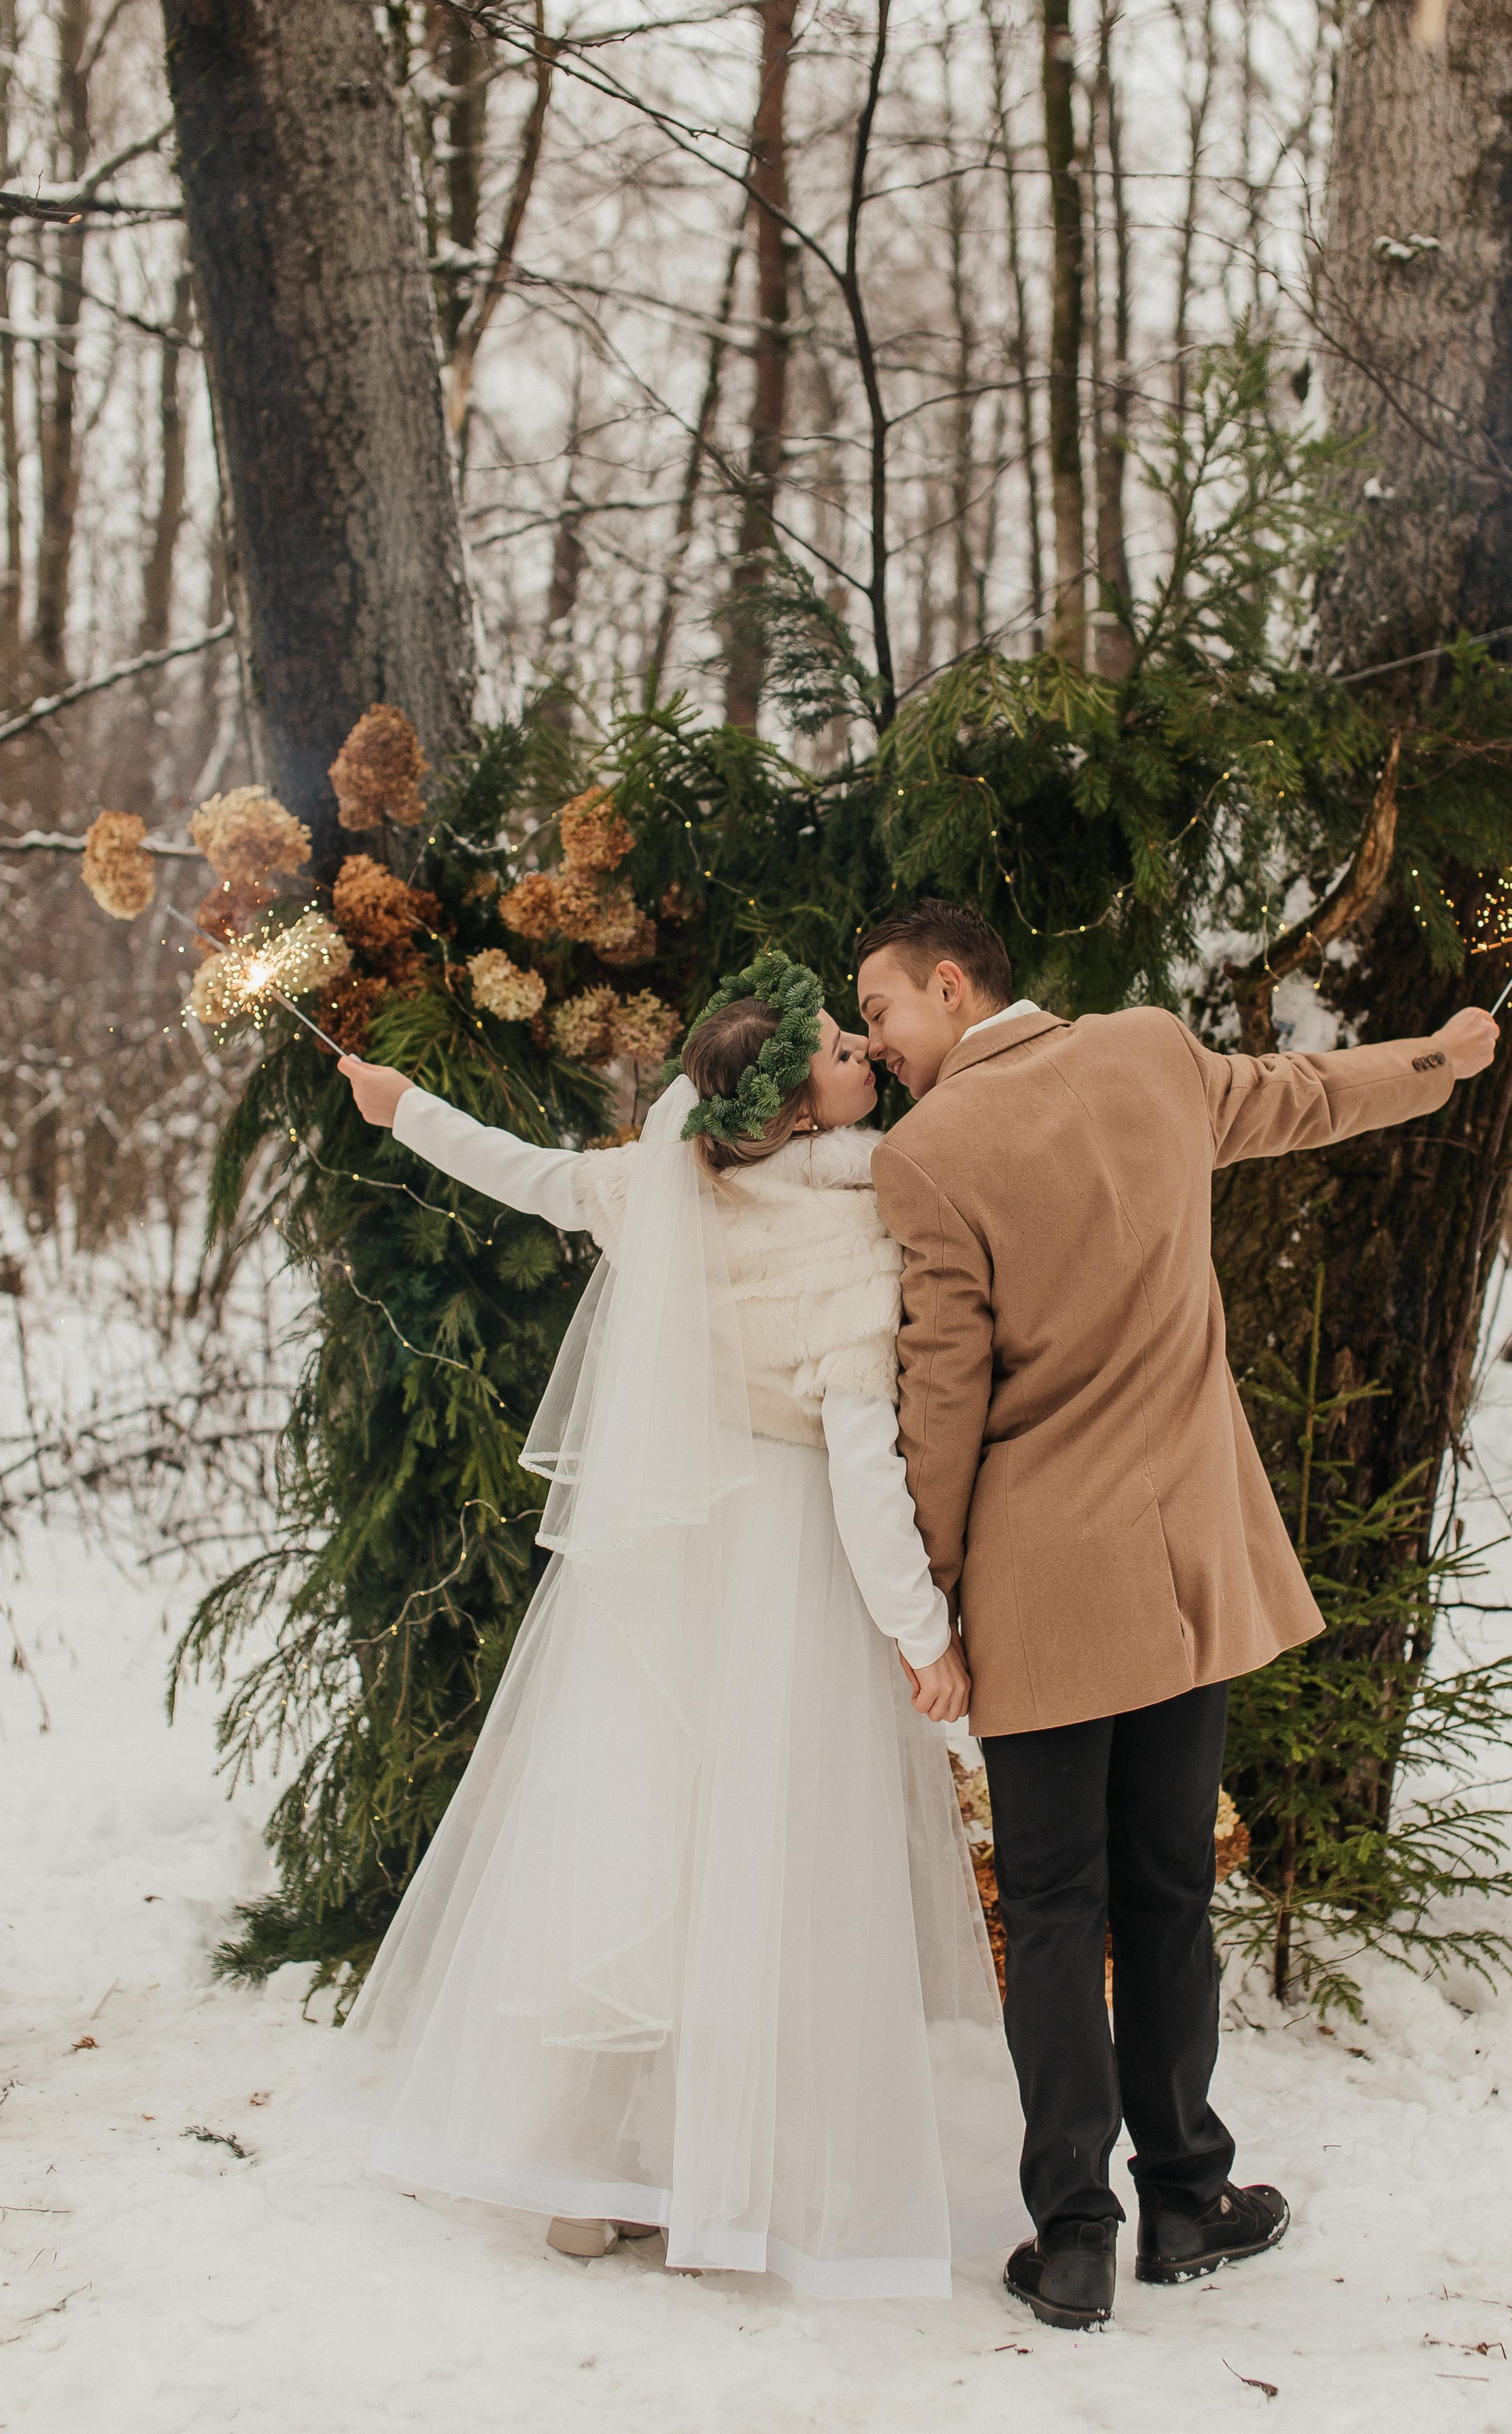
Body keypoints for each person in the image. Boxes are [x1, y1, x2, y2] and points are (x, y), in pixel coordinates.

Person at [311, 947, 1025, 2298]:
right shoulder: (858, 1217)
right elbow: (867, 1466)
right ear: (800, 1111)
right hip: (791, 1563)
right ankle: (728, 2176)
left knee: (647, 1849)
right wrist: (921, 1635)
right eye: (834, 1046)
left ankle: (590, 2171)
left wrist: (403, 1108)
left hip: (673, 1553)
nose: (858, 1050)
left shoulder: (663, 1186)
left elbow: (524, 1173)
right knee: (768, 1865)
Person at [855, 900, 1500, 2331]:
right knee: (1163, 1892)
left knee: (1052, 1903)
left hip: (1036, 1593)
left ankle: (1075, 2236)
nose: (879, 1043)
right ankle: (1189, 2199)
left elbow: (939, 1399)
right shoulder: (1150, 1054)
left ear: (950, 987)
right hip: (1182, 1569)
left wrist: (930, 1603)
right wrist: (1439, 1060)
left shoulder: (925, 1155)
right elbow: (1303, 1096)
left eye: (884, 1011)